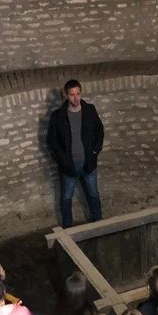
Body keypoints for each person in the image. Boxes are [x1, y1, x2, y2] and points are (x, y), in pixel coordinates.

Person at [46, 79, 104, 228]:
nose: (76, 98)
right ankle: (68, 228)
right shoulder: (58, 116)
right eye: (72, 95)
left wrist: (95, 152)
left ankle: (99, 224)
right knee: (66, 197)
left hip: (88, 162)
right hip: (68, 165)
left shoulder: (89, 110)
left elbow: (100, 131)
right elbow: (52, 142)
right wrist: (63, 161)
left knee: (93, 194)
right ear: (66, 95)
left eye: (78, 93)